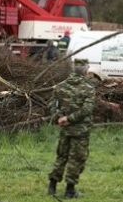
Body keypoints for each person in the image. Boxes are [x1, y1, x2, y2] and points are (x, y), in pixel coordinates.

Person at [48, 59, 95, 199]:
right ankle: (70, 190)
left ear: (73, 69)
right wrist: (69, 119)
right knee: (77, 159)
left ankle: (52, 186)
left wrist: (59, 118)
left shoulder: (60, 86)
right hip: (80, 130)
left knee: (61, 157)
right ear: (86, 70)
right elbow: (87, 109)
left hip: (65, 129)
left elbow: (52, 105)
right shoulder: (88, 88)